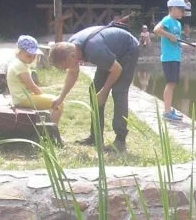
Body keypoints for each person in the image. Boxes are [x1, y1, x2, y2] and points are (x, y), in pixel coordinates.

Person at [49, 23, 141, 153]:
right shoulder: (72, 48)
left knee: (119, 91)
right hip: (109, 50)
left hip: (128, 49)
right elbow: (73, 73)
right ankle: (95, 137)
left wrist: (104, 91)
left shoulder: (94, 51)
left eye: (66, 66)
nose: (66, 69)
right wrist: (61, 97)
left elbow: (117, 69)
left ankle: (120, 140)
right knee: (94, 90)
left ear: (72, 56)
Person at [152, 0, 196, 122]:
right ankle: (166, 112)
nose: (183, 12)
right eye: (181, 9)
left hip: (176, 57)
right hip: (168, 57)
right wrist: (169, 35)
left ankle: (168, 109)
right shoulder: (167, 20)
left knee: (173, 83)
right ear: (173, 9)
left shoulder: (178, 23)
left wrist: (192, 46)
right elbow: (156, 30)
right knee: (170, 84)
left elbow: (177, 42)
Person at [7, 35, 63, 123]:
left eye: (34, 56)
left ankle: (49, 127)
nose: (31, 59)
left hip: (20, 98)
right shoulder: (20, 66)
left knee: (53, 101)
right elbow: (32, 86)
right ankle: (52, 132)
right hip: (23, 99)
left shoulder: (17, 63)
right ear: (19, 52)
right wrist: (42, 94)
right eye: (29, 56)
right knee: (58, 103)